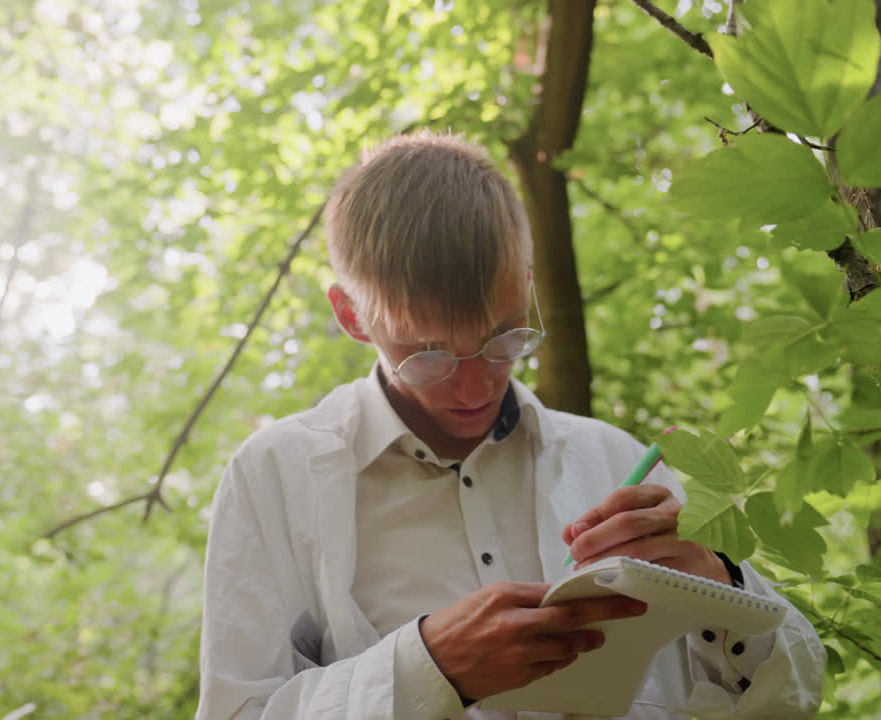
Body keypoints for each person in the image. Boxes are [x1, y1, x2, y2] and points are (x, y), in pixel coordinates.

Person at [194, 131, 824, 719]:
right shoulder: (276, 477)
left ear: (526, 286)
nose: (475, 387)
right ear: (352, 316)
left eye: (505, 338)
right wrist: (428, 669)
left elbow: (797, 694)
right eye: (429, 355)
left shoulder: (612, 458)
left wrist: (719, 584)